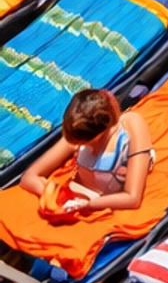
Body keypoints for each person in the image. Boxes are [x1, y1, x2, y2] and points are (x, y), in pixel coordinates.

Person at [20, 86, 154, 218]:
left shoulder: (130, 126)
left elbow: (132, 198)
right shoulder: (77, 133)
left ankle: (130, 97)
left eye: (83, 143)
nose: (77, 145)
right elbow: (29, 176)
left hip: (105, 190)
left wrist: (87, 205)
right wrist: (50, 196)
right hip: (86, 193)